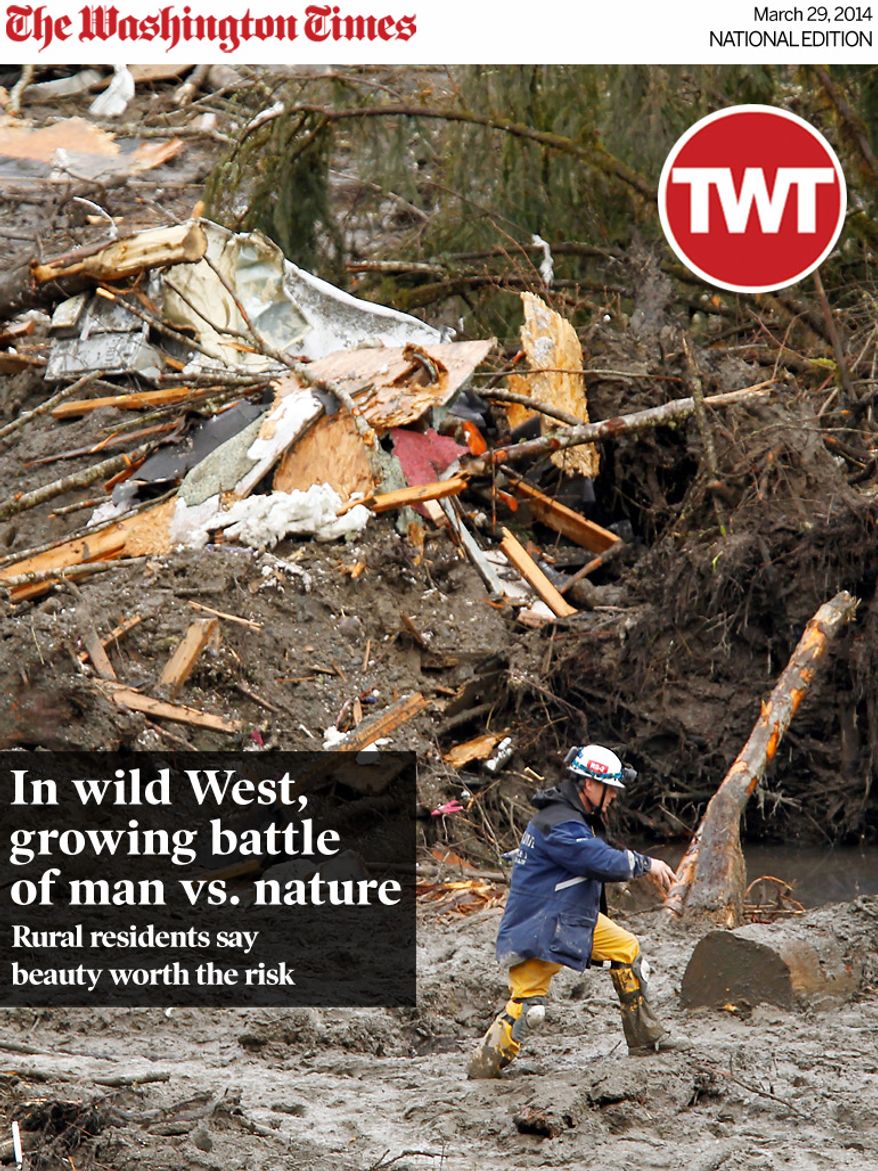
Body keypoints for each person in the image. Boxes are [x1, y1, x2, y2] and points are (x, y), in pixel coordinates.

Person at [468, 743, 678, 1079]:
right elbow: (595, 858)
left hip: (570, 918)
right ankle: (482, 1068)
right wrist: (645, 864)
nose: (614, 797)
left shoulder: (571, 817)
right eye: (611, 789)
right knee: (528, 1009)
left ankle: (645, 1040)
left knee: (628, 954)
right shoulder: (560, 823)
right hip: (541, 924)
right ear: (590, 784)